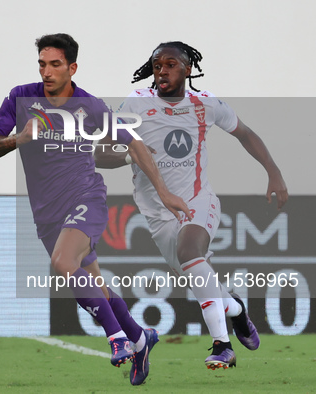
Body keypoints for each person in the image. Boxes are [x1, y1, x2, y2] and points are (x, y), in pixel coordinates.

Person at [0, 33, 191, 385]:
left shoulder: (89, 106)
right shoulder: (20, 98)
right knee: (96, 288)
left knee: (63, 263)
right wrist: (19, 138)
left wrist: (165, 193)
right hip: (46, 214)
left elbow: (133, 143)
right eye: (42, 64)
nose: (47, 72)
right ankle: (140, 339)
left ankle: (117, 340)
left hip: (85, 199)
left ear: (72, 67)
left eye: (55, 65)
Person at [95, 41, 288, 370]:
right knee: (200, 278)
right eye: (157, 65)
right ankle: (237, 310)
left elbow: (245, 133)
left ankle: (222, 345)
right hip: (157, 213)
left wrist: (274, 172)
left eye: (171, 64)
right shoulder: (136, 104)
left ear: (188, 68)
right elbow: (100, 154)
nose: (162, 71)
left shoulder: (205, 104)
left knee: (190, 252)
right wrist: (131, 155)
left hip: (198, 200)